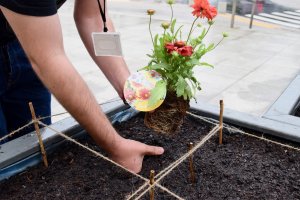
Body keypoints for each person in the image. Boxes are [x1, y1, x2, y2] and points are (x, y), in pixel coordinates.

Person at [0, 0, 164, 173]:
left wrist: (130, 88)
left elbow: (93, 18)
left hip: (22, 36)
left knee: (34, 151)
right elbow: (49, 59)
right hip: (33, 41)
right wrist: (115, 146)